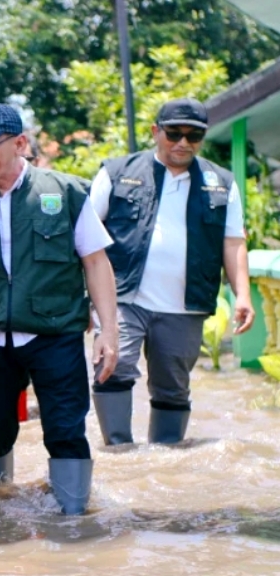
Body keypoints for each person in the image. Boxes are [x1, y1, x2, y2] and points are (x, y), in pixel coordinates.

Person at [0, 103, 119, 515]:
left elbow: (96, 262)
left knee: (66, 431)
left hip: (55, 334)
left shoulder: (66, 193)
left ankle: (74, 521)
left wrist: (108, 330)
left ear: (20, 144)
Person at [89, 98, 254, 445]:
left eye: (193, 136)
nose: (183, 143)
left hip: (185, 303)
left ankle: (165, 457)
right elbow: (85, 237)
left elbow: (233, 242)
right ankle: (119, 453)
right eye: (174, 133)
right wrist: (80, 297)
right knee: (112, 367)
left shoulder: (222, 183)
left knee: (173, 387)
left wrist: (243, 294)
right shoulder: (116, 173)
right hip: (122, 296)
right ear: (155, 132)